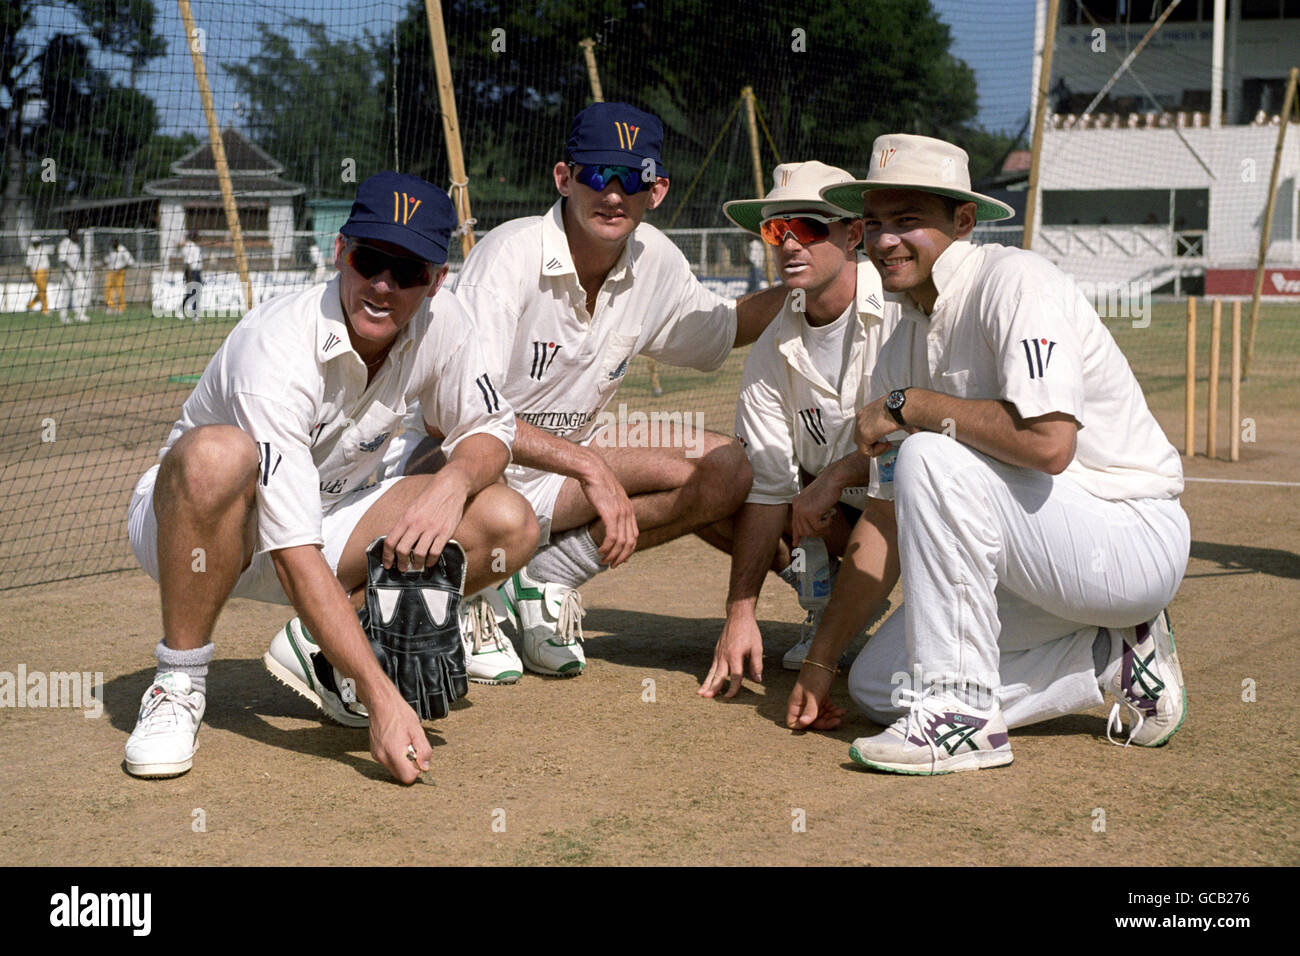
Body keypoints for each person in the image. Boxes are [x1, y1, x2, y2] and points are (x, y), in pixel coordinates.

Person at [786, 133, 1188, 775]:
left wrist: (910, 406)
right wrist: (821, 660)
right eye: (874, 223)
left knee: (927, 456)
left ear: (964, 220)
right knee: (877, 685)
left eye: (908, 221)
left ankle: (964, 719)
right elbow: (885, 520)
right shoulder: (901, 343)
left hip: (1127, 539)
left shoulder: (1016, 282)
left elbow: (1049, 445)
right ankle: (1109, 662)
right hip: (1034, 564)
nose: (885, 240)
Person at [352, 101, 788, 684]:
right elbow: (451, 418)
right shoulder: (510, 254)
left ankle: (543, 579)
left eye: (632, 178)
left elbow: (728, 327)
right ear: (564, 178)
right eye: (597, 174)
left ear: (656, 191)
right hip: (458, 464)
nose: (613, 194)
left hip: (562, 473)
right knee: (467, 464)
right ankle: (472, 591)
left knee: (729, 468)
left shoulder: (655, 259)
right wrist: (590, 467)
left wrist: (822, 280)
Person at [123, 172, 538, 784]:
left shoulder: (444, 321)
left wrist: (452, 483)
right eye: (370, 260)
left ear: (437, 279)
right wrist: (383, 701)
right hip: (201, 532)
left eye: (409, 272)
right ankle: (178, 679)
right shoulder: (276, 346)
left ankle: (326, 653)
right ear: (341, 251)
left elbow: (491, 430)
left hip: (327, 515)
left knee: (507, 520)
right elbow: (291, 550)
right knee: (216, 454)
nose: (383, 286)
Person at [698, 161, 900, 700]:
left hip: (909, 502)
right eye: (776, 230)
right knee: (722, 479)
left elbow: (919, 439)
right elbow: (766, 485)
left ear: (854, 234)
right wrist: (740, 613)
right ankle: (829, 600)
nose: (790, 244)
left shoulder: (902, 310)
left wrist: (835, 477)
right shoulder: (772, 343)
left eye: (810, 228)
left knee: (918, 468)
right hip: (827, 513)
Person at [57, 230, 90, 324]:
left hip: (77, 271)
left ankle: (79, 314)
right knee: (71, 292)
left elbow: (78, 259)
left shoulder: (75, 244)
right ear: (71, 234)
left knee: (81, 291)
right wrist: (71, 270)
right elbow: (62, 259)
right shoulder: (65, 243)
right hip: (69, 271)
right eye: (76, 235)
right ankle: (66, 316)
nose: (78, 237)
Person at [104, 241, 136, 314]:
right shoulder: (111, 249)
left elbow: (131, 262)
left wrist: (121, 268)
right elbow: (108, 260)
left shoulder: (123, 249)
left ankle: (121, 307)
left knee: (119, 289)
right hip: (111, 271)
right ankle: (110, 306)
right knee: (108, 288)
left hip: (120, 272)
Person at [179, 232, 203, 320]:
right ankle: (183, 310)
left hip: (197, 271)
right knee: (192, 293)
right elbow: (188, 263)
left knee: (195, 293)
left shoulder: (195, 246)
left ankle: (193, 313)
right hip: (192, 272)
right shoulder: (189, 247)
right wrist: (189, 277)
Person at [25, 236, 50, 315]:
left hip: (44, 271)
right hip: (36, 272)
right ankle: (45, 309)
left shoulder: (43, 249)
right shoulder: (30, 251)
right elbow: (28, 264)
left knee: (42, 291)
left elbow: (46, 261)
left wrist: (48, 272)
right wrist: (30, 275)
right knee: (42, 291)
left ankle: (30, 305)